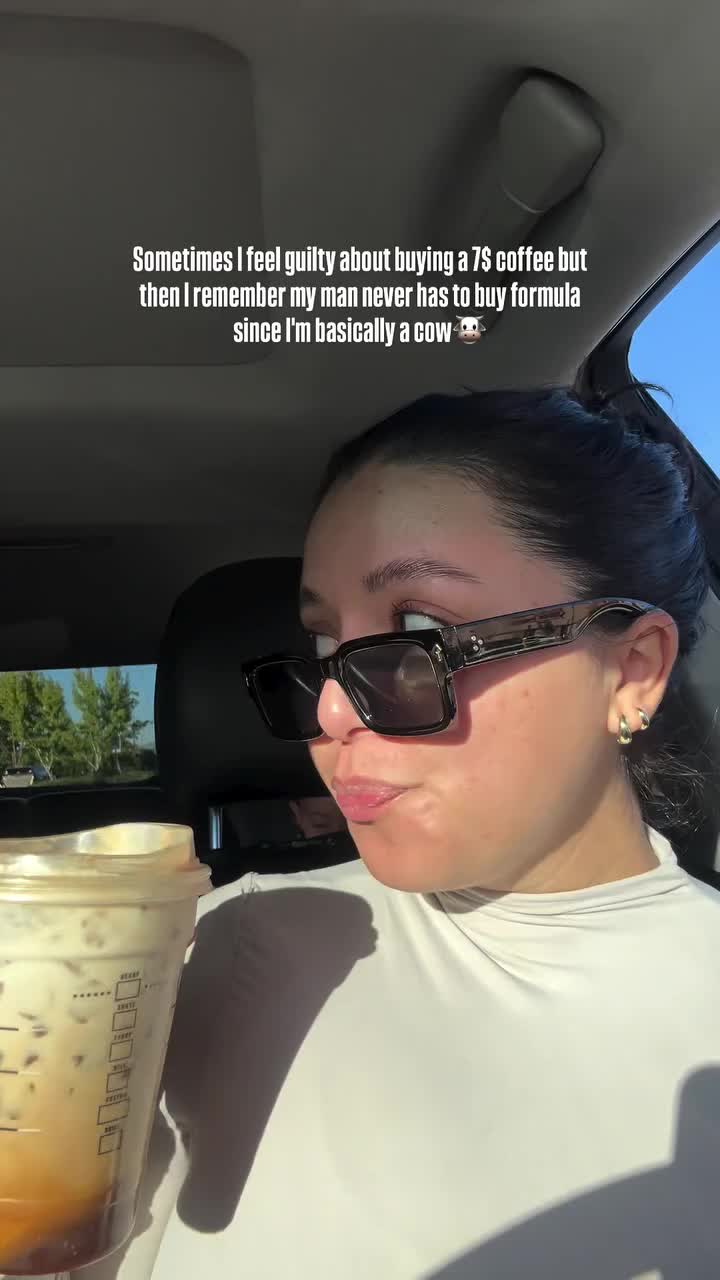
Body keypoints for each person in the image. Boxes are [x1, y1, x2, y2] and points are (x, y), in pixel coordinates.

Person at [86, 388, 720, 1280]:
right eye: (322, 648)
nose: (330, 709)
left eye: (421, 632)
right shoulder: (226, 945)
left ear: (632, 670)